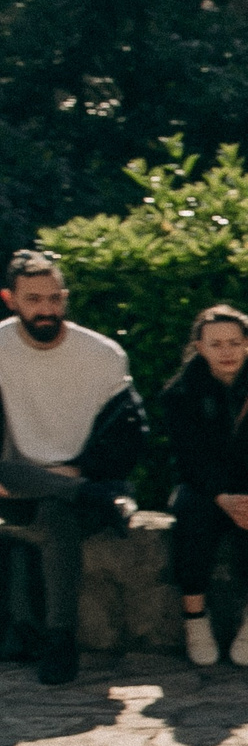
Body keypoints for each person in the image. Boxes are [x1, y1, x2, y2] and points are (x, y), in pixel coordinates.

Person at [0, 248, 149, 685]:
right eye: (34, 299)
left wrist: (83, 473)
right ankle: (92, 497)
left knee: (56, 513)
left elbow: (128, 433)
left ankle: (60, 639)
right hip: (17, 481)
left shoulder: (102, 354)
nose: (46, 309)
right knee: (21, 482)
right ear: (10, 299)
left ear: (64, 297)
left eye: (54, 298)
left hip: (86, 478)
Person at [159, 304, 248, 667]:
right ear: (200, 347)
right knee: (190, 515)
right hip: (206, 486)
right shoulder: (179, 393)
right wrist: (222, 497)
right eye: (216, 344)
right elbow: (187, 457)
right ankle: (194, 617)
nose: (226, 352)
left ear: (247, 343)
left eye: (234, 343)